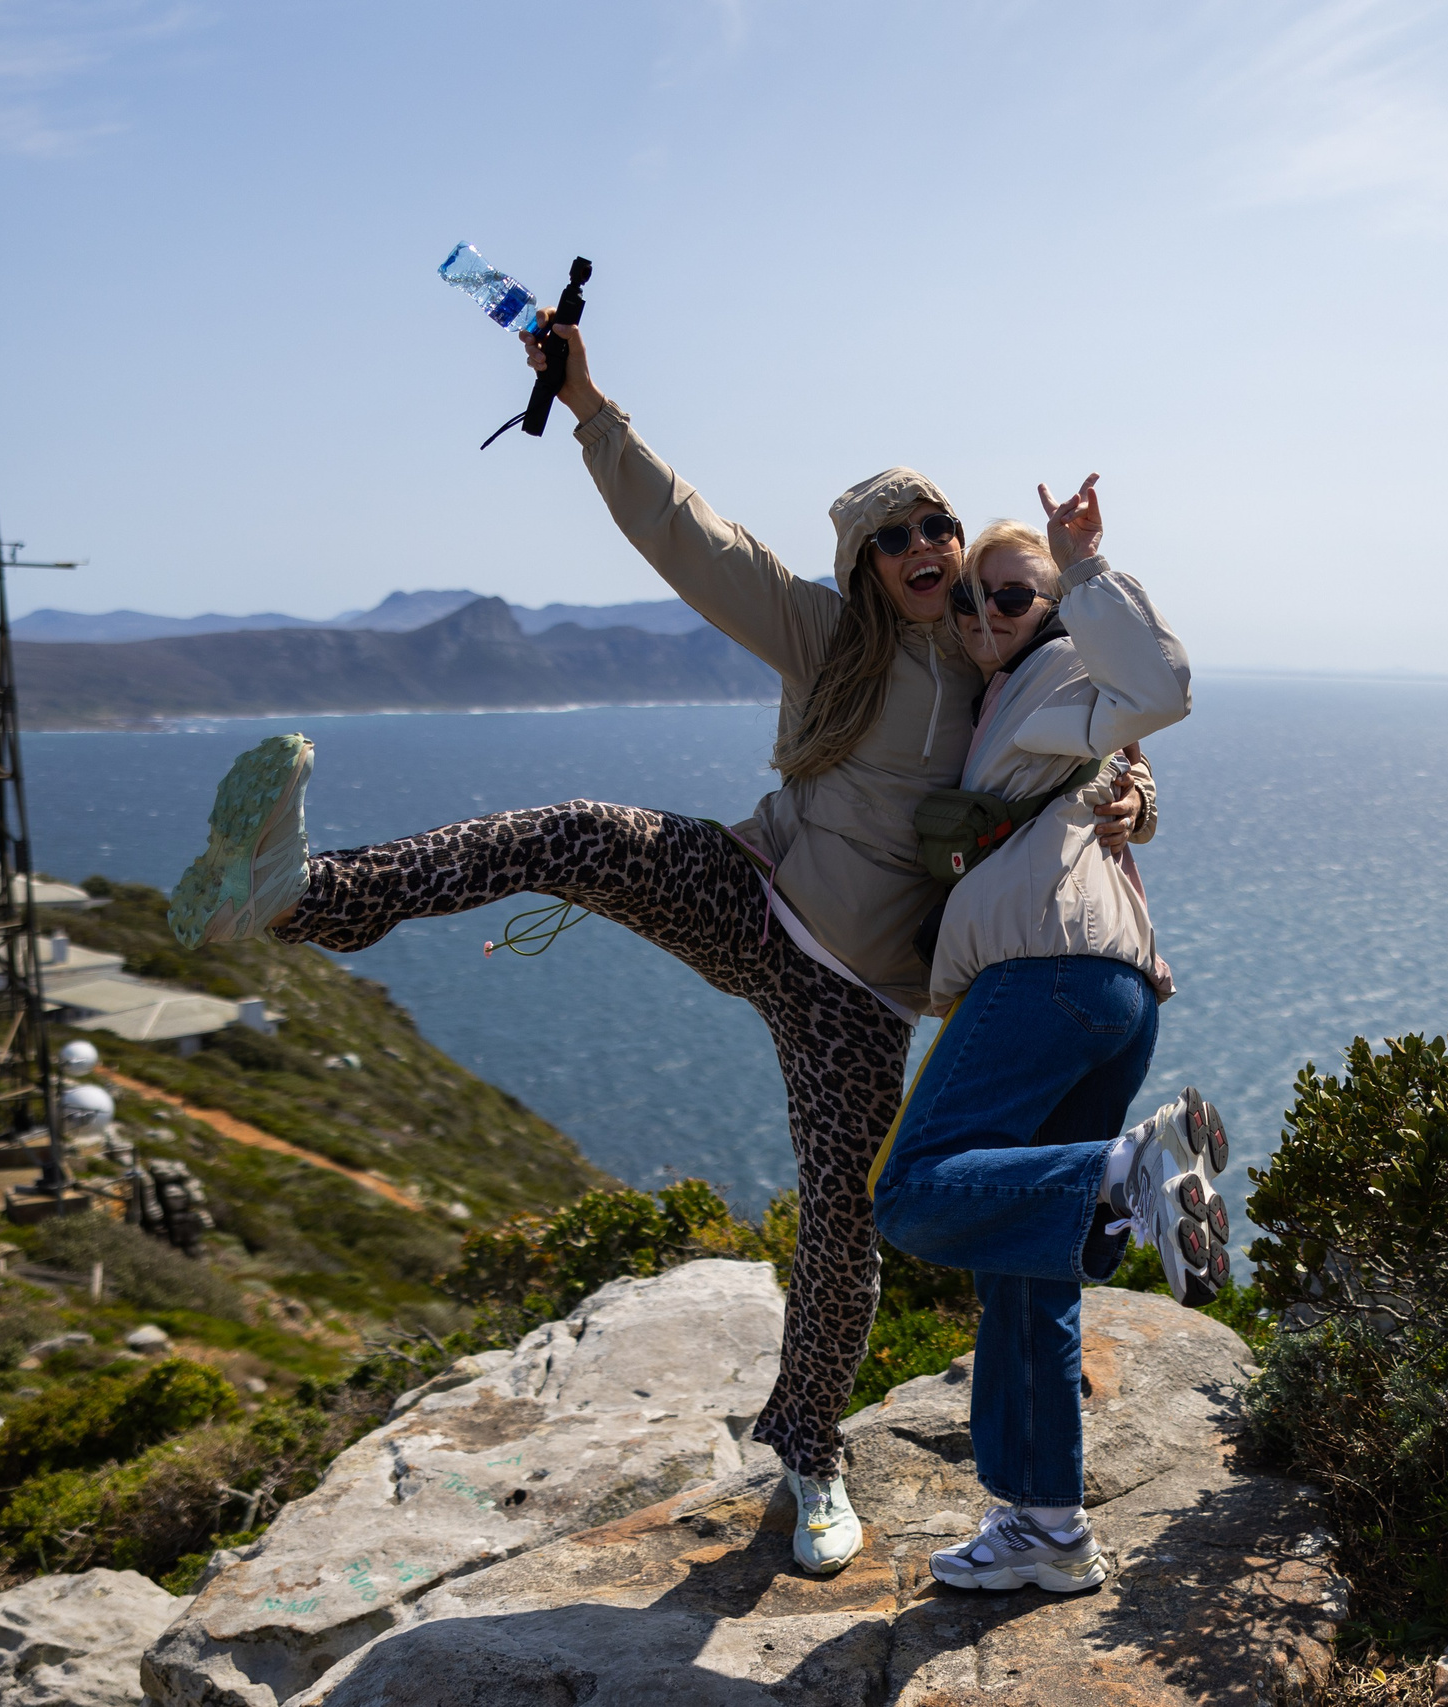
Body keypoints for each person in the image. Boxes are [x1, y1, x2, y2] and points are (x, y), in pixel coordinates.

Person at [161, 324, 1147, 1577]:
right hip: (754, 895)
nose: (918, 549)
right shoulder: (822, 635)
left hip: (858, 992)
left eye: (932, 527)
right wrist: (589, 407)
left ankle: (810, 1457)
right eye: (888, 536)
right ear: (859, 563)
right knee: (580, 831)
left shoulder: (1006, 654)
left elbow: (1095, 738)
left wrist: (1133, 793)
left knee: (842, 1230)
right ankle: (302, 897)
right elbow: (686, 532)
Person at [868, 486, 1230, 1595]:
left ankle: (1128, 1174)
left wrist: (1080, 567)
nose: (990, 612)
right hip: (1106, 995)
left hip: (1047, 977)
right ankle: (1046, 1526)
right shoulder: (1002, 694)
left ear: (1052, 608)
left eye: (1016, 596)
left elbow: (1159, 690)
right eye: (977, 599)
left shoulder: (1056, 677)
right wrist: (1133, 796)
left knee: (915, 1191)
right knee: (1027, 1272)